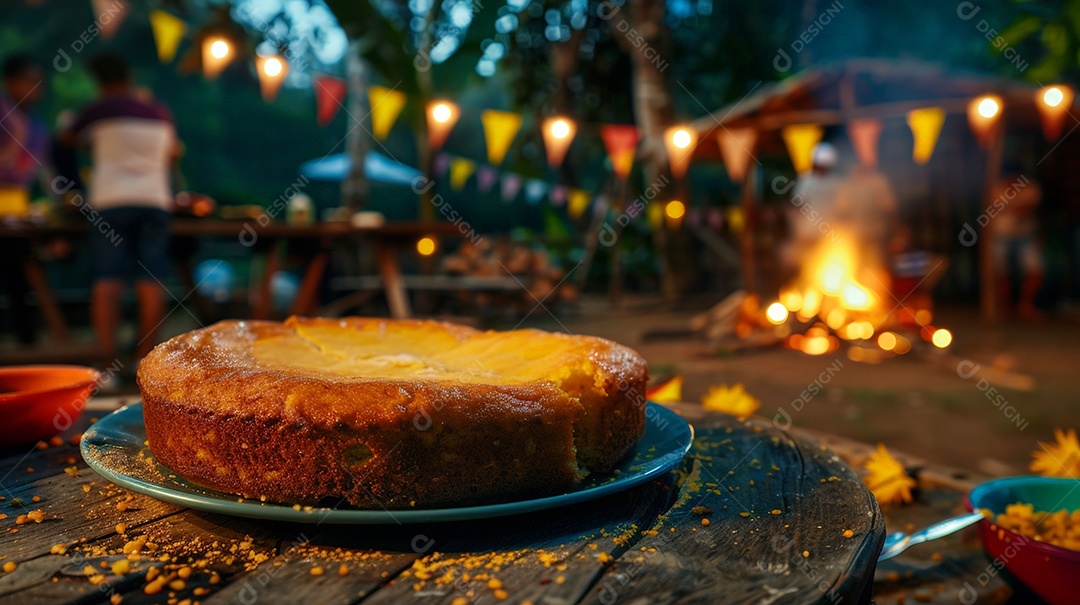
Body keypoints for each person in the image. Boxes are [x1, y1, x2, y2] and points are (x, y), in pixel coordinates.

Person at [62, 53, 179, 361]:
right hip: (154, 200)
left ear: (100, 83)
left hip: (110, 201)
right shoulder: (158, 111)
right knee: (151, 276)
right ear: (129, 78)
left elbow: (65, 140)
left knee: (107, 277)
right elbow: (172, 154)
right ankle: (146, 359)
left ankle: (106, 361)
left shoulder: (97, 110)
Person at [0, 54, 48, 345]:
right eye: (29, 80)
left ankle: (27, 344)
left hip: (18, 205)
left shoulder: (35, 125)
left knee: (19, 277)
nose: (35, 87)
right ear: (11, 81)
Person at [989, 169, 1043, 320]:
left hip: (1026, 234)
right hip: (1001, 235)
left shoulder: (1031, 188)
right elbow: (991, 209)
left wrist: (1011, 208)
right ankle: (1005, 307)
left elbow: (1027, 208)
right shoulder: (996, 188)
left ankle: (1025, 306)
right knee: (1000, 271)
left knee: (1035, 269)